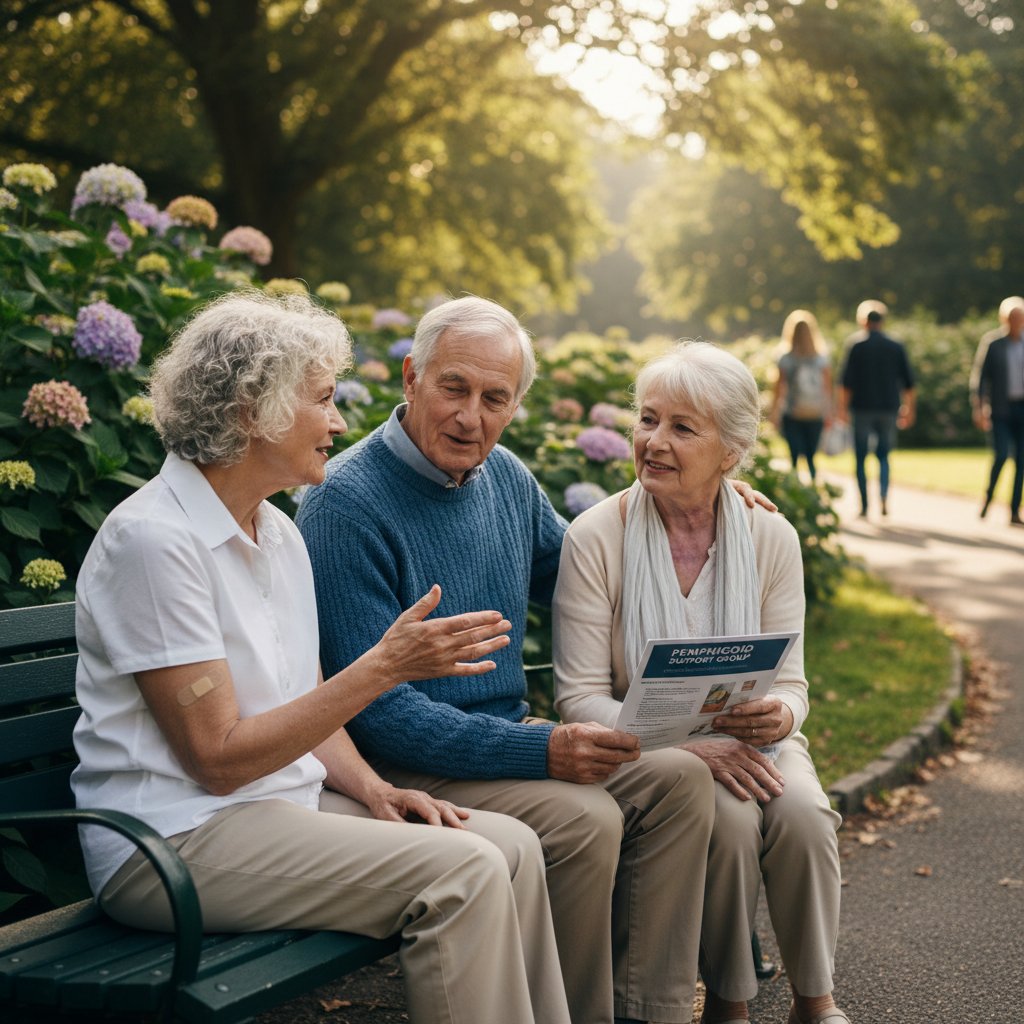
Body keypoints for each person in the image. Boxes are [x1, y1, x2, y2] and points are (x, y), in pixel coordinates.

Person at [70, 290, 572, 1024]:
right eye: (322, 401)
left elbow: (301, 699)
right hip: (173, 838)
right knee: (463, 870)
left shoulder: (275, 532)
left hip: (278, 806)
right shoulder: (154, 542)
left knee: (513, 846)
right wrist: (385, 666)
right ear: (253, 411)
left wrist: (373, 790)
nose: (339, 423)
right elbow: (217, 758)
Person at [299, 295, 788, 1024]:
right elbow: (380, 716)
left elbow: (593, 578)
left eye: (496, 398)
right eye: (453, 388)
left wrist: (701, 498)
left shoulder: (504, 479)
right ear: (411, 378)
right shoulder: (346, 504)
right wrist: (544, 749)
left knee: (682, 777)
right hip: (403, 763)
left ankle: (649, 1009)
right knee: (586, 821)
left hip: (503, 745)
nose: (472, 417)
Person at [553, 341, 847, 1024]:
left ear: (731, 452)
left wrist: (780, 718)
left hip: (753, 745)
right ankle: (729, 1004)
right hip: (647, 754)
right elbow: (577, 696)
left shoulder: (771, 537)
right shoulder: (597, 536)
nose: (654, 442)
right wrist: (684, 747)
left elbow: (794, 683)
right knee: (733, 820)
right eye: (648, 419)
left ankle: (816, 1000)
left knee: (804, 817)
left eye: (683, 428)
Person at [837, 301, 915, 517]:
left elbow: (845, 382)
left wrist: (841, 409)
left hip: (861, 408)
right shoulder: (896, 346)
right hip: (888, 408)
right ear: (882, 321)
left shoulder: (856, 345)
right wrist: (909, 408)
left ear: (863, 321)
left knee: (861, 458)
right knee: (884, 456)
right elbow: (909, 383)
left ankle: (864, 504)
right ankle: (883, 496)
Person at [970, 296, 1024, 524]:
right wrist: (979, 408)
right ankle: (989, 498)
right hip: (1001, 409)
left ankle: (1014, 510)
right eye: (1013, 318)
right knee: (1001, 455)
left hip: (1022, 408)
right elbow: (980, 379)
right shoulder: (993, 343)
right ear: (1005, 319)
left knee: (1021, 461)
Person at [770, 309, 833, 481]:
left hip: (793, 412)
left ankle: (795, 491)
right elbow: (827, 389)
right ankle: (814, 490)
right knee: (812, 457)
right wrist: (829, 413)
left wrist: (774, 414)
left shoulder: (786, 358)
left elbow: (779, 388)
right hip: (815, 413)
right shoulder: (821, 359)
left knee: (794, 457)